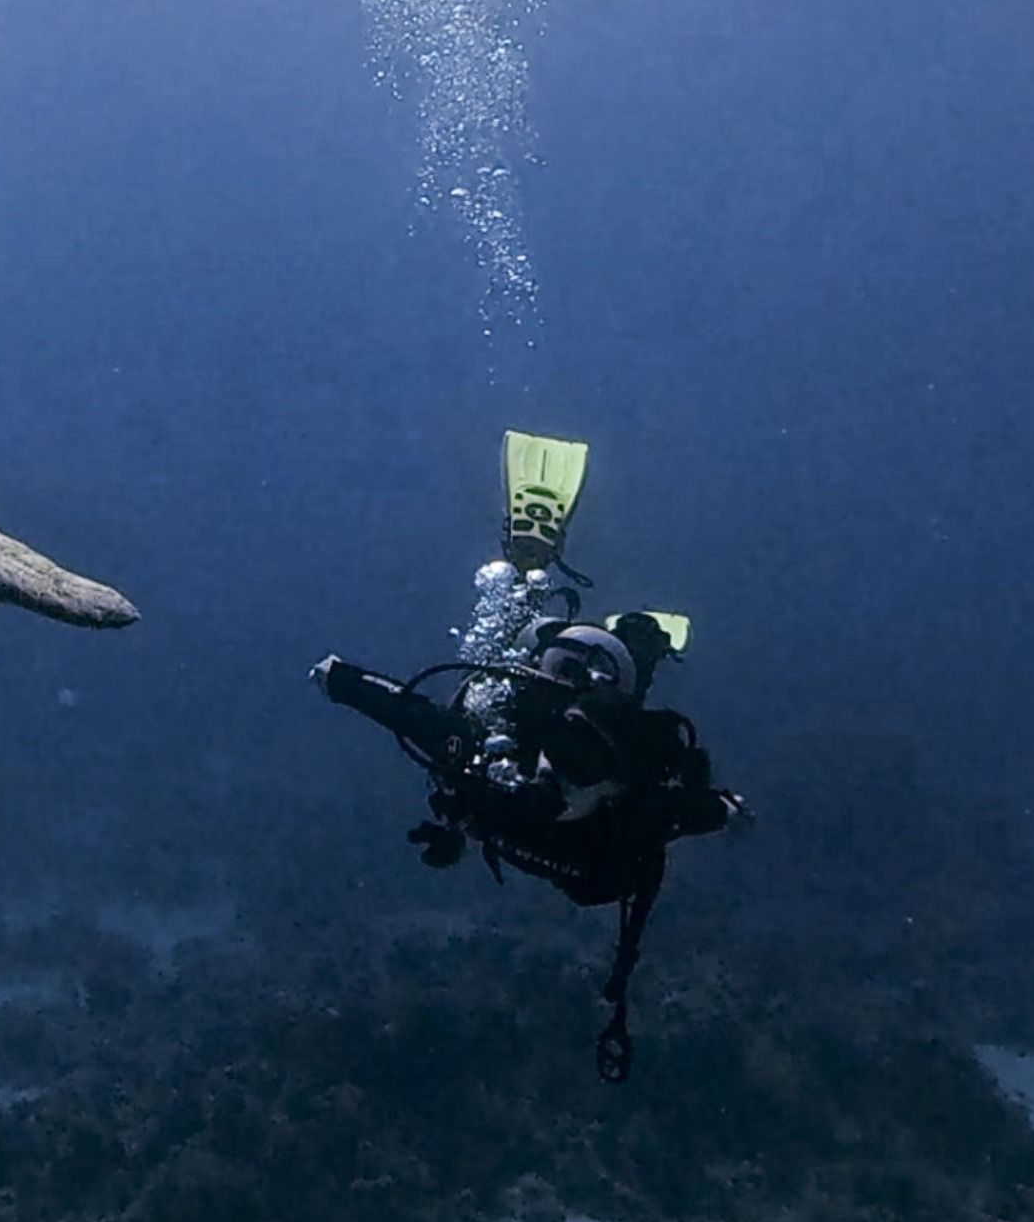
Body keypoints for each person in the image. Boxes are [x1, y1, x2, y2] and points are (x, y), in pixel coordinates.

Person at [312, 432, 742, 1081]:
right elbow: (414, 715)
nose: (552, 780)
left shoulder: (634, 816)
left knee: (611, 687)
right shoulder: (498, 757)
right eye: (559, 761)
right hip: (548, 699)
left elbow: (705, 807)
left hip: (589, 750)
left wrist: (728, 809)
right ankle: (541, 580)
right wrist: (344, 681)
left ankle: (634, 641)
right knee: (509, 688)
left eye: (580, 767)